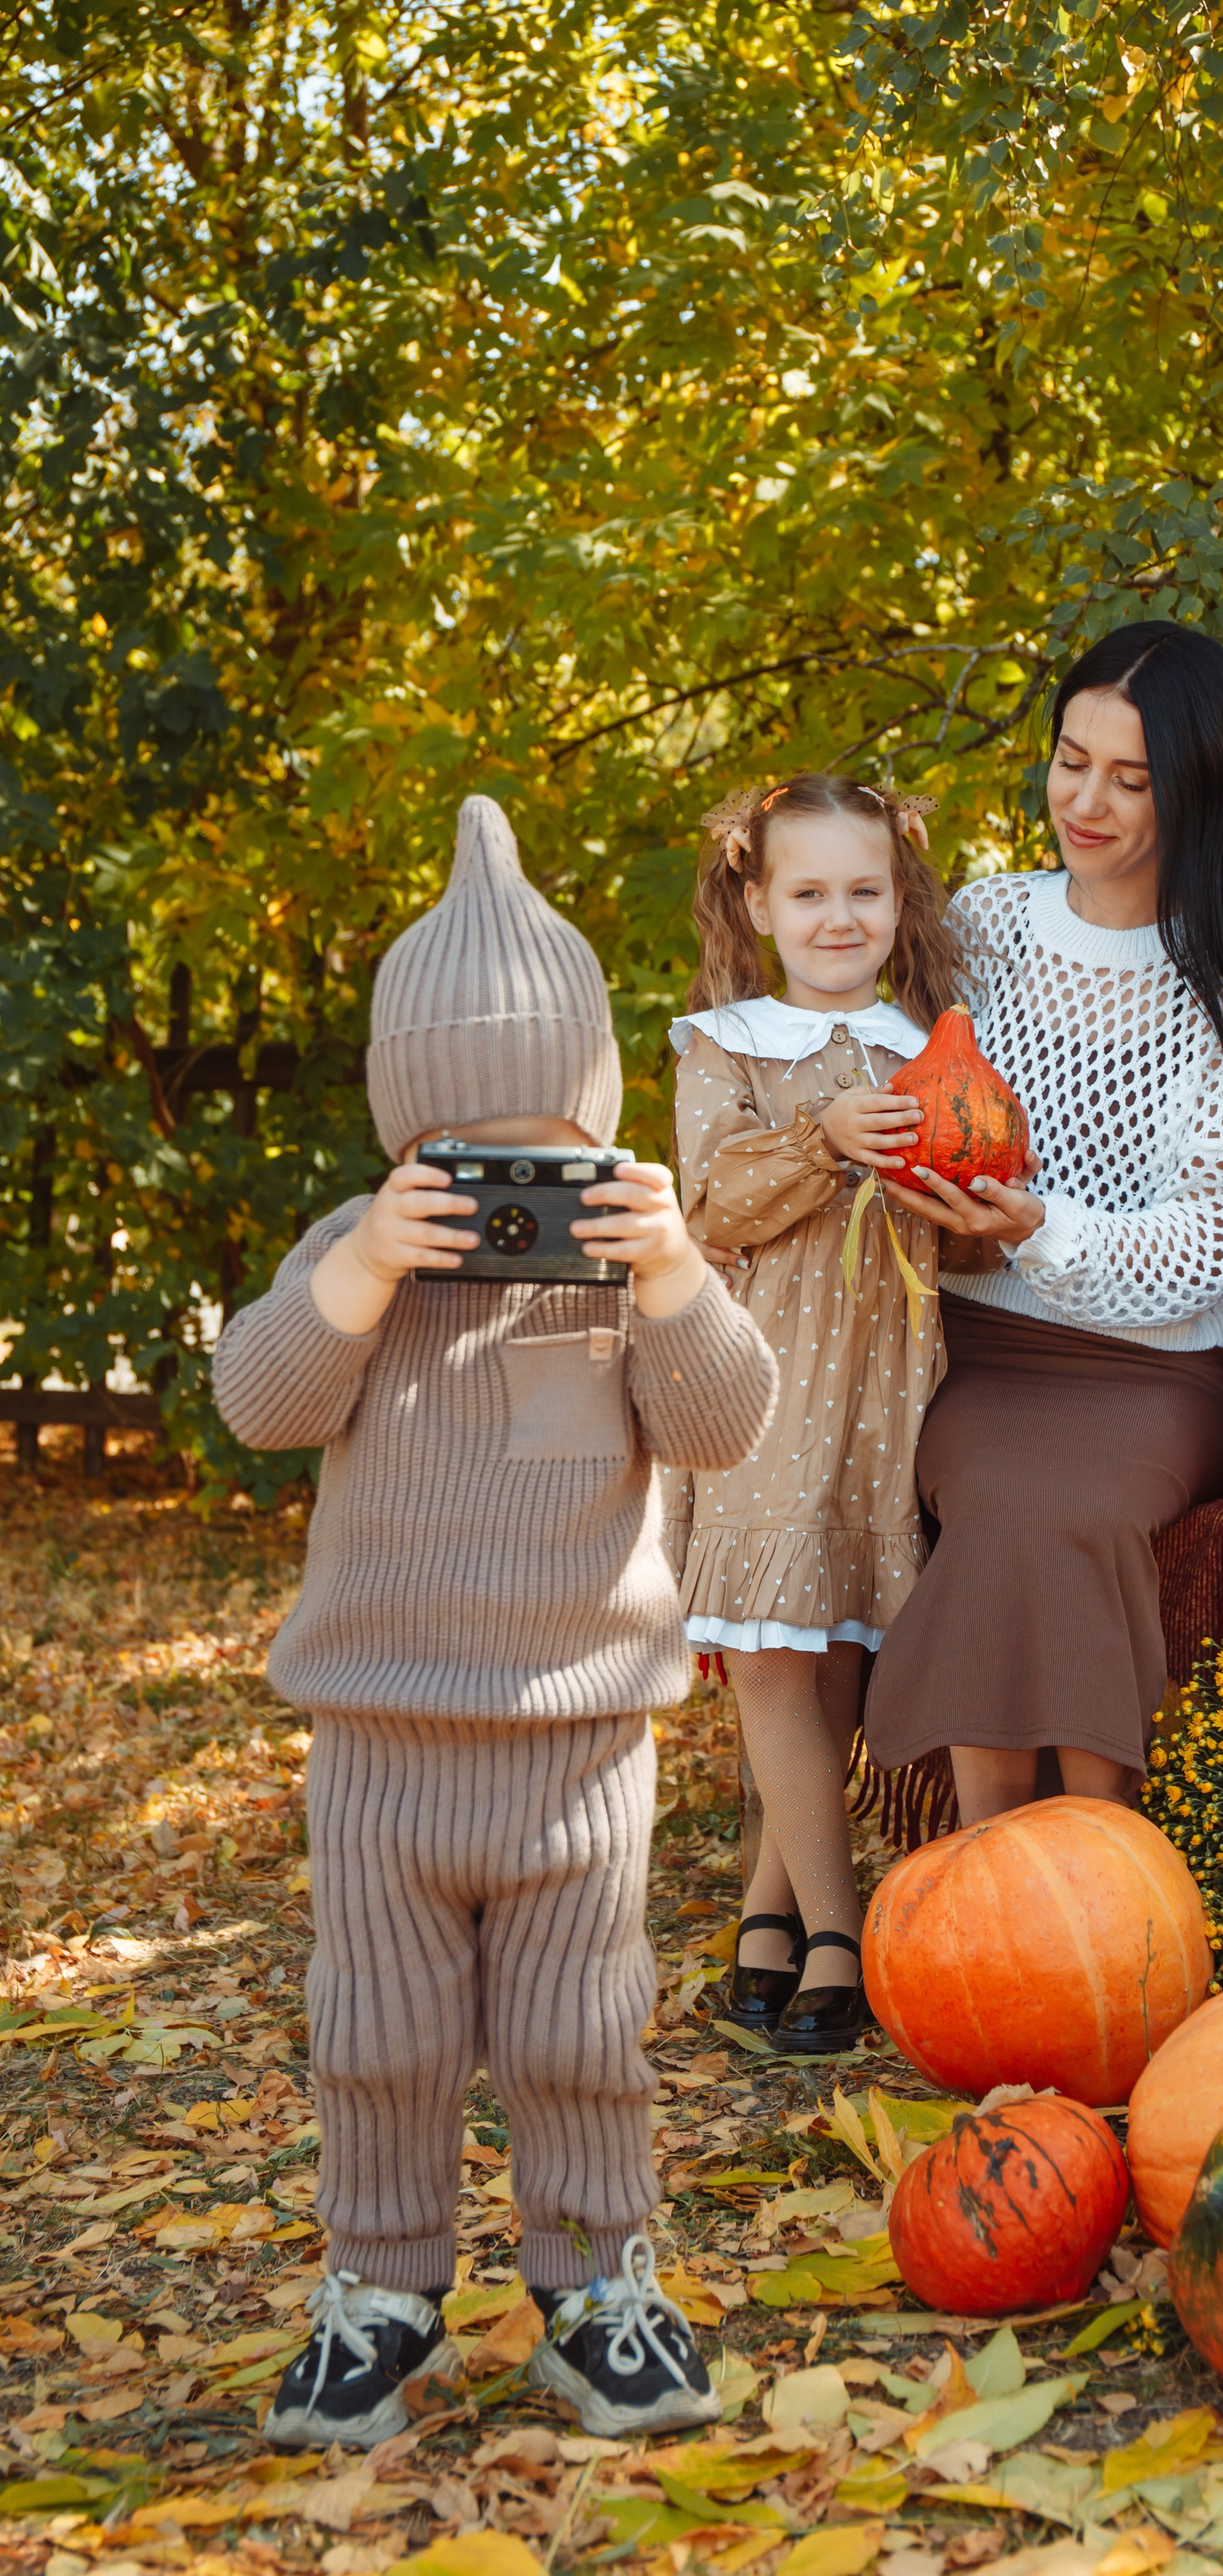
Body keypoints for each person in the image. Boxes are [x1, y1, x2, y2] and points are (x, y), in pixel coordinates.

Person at [211, 796, 778, 2449]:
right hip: (384, 1748)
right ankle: (379, 2294)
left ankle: (598, 2285)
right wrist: (361, 1271)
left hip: (578, 1748)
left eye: (543, 1150)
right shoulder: (363, 1253)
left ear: (595, 1117)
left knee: (579, 2033)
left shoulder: (619, 1262)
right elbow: (256, 1397)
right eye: (470, 1160)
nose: (508, 1193)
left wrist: (672, 1274)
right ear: (406, 1134)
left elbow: (725, 1421)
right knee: (375, 2041)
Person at [864, 622, 1223, 1823]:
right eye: (1072, 760)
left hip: (1151, 1377)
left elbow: (1219, 1245)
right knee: (1012, 1496)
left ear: (1201, 790)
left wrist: (1036, 1228)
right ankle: (993, 1871)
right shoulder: (988, 928)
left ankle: (1096, 1876)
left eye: (1132, 778)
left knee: (1069, 1506)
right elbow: (892, 1081)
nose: (1089, 801)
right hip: (978, 1354)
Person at [666, 773, 961, 2049]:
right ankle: (839, 1933)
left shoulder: (932, 1044)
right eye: (810, 893)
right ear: (758, 899)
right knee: (776, 1651)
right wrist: (828, 1139)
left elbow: (978, 1192)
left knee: (836, 1641)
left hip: (895, 1379)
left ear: (900, 898)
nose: (839, 919)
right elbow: (712, 1205)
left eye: (865, 891)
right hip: (769, 1380)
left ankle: (769, 1909)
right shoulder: (725, 1041)